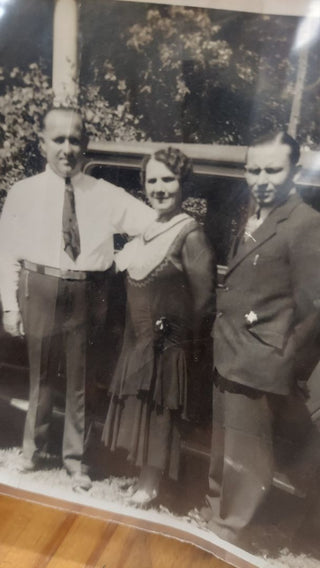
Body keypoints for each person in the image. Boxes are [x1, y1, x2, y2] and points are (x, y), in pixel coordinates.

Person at [0, 106, 156, 491]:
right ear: (42, 144)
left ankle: (75, 461)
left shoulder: (104, 194)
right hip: (38, 287)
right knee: (39, 377)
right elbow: (6, 253)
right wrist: (8, 306)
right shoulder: (23, 193)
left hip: (87, 292)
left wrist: (120, 260)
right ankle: (31, 451)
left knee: (80, 379)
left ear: (84, 143)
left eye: (75, 139)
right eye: (58, 139)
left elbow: (154, 225)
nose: (67, 148)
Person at [201, 131, 320, 543]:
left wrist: (282, 353)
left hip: (261, 357)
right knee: (224, 442)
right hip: (230, 349)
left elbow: (313, 306)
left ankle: (233, 526)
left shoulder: (304, 223)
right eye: (254, 169)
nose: (262, 178)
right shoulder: (252, 214)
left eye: (274, 170)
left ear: (295, 170)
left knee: (247, 452)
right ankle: (217, 508)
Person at [102, 146, 215, 505]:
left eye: (168, 179)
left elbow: (204, 300)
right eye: (152, 180)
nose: (160, 187)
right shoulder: (146, 230)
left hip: (169, 344)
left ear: (183, 184)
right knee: (141, 406)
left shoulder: (191, 234)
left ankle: (150, 485)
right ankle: (140, 476)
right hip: (139, 340)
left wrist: (183, 347)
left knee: (159, 412)